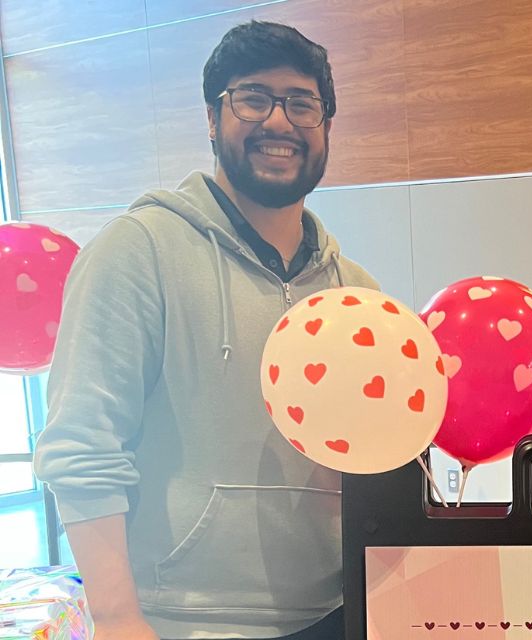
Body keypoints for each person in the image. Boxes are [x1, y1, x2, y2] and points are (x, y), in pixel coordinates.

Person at [33, 21, 378, 640]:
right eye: (253, 97)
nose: (280, 122)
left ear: (326, 126)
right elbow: (82, 446)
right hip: (181, 622)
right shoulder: (137, 251)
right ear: (213, 118)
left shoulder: (355, 291)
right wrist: (117, 619)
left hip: (337, 612)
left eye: (303, 104)